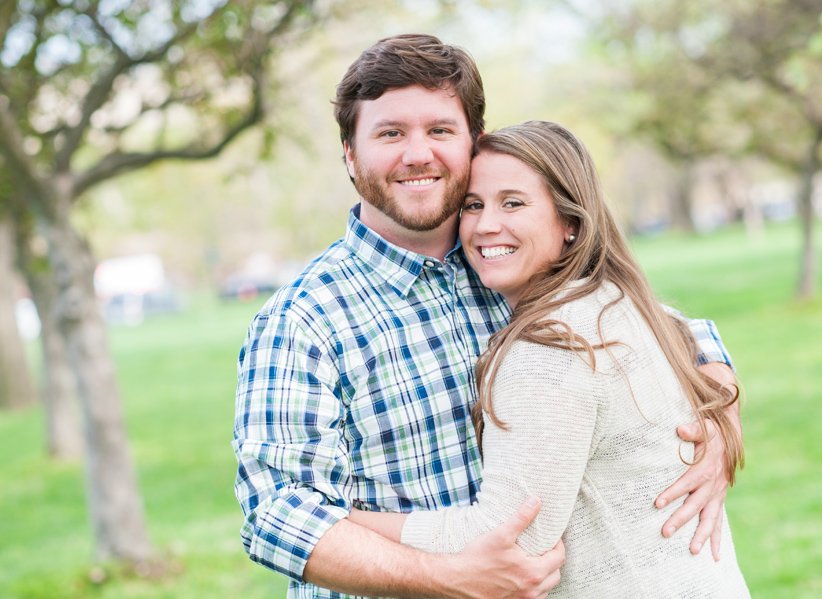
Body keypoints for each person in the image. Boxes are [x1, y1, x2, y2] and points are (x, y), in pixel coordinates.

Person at [232, 34, 742, 599]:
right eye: (390, 133)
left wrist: (720, 416)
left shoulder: (509, 261)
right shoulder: (303, 319)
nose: (417, 153)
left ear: (473, 143)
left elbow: (673, 330)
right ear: (351, 155)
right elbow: (275, 515)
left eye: (440, 130)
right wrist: (447, 579)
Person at [348, 121, 750, 597]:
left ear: (571, 224)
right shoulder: (618, 301)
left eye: (513, 203)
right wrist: (723, 397)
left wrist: (349, 524)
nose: (486, 224)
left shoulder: (550, 350)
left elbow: (513, 533)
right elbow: (690, 332)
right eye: (473, 205)